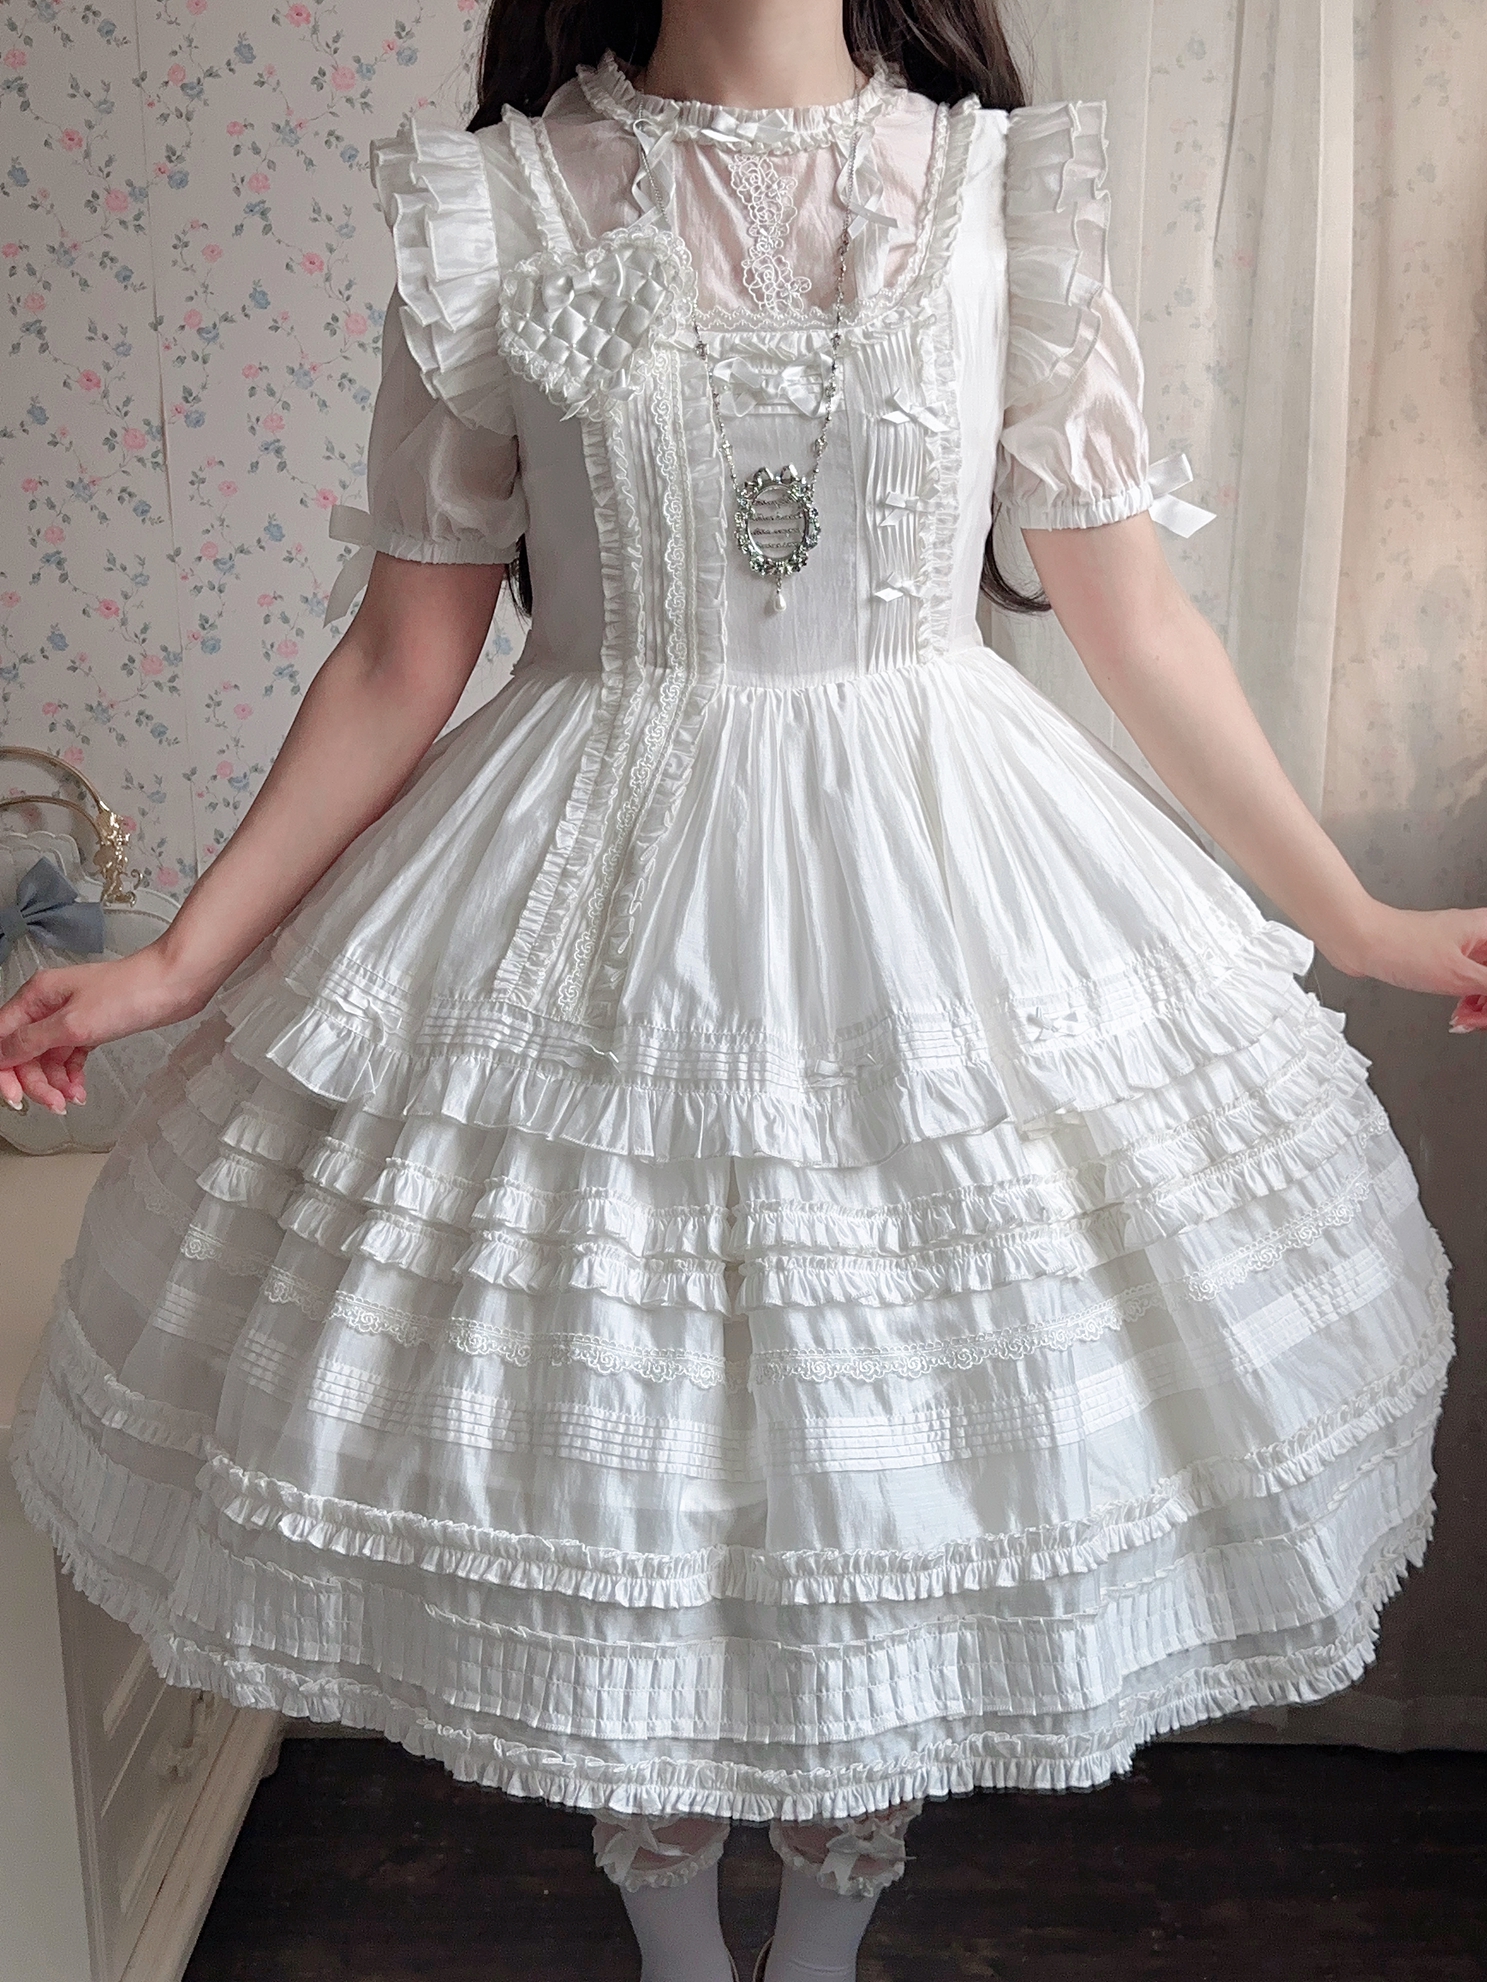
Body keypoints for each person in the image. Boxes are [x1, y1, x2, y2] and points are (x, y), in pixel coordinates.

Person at [3, 2, 1483, 1978]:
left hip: (934, 901)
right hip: (594, 914)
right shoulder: (509, 203)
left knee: (873, 1482)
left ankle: (824, 1948)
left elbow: (1130, 611)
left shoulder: (995, 190)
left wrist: (1359, 917)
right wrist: (184, 957)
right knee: (642, 1488)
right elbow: (401, 650)